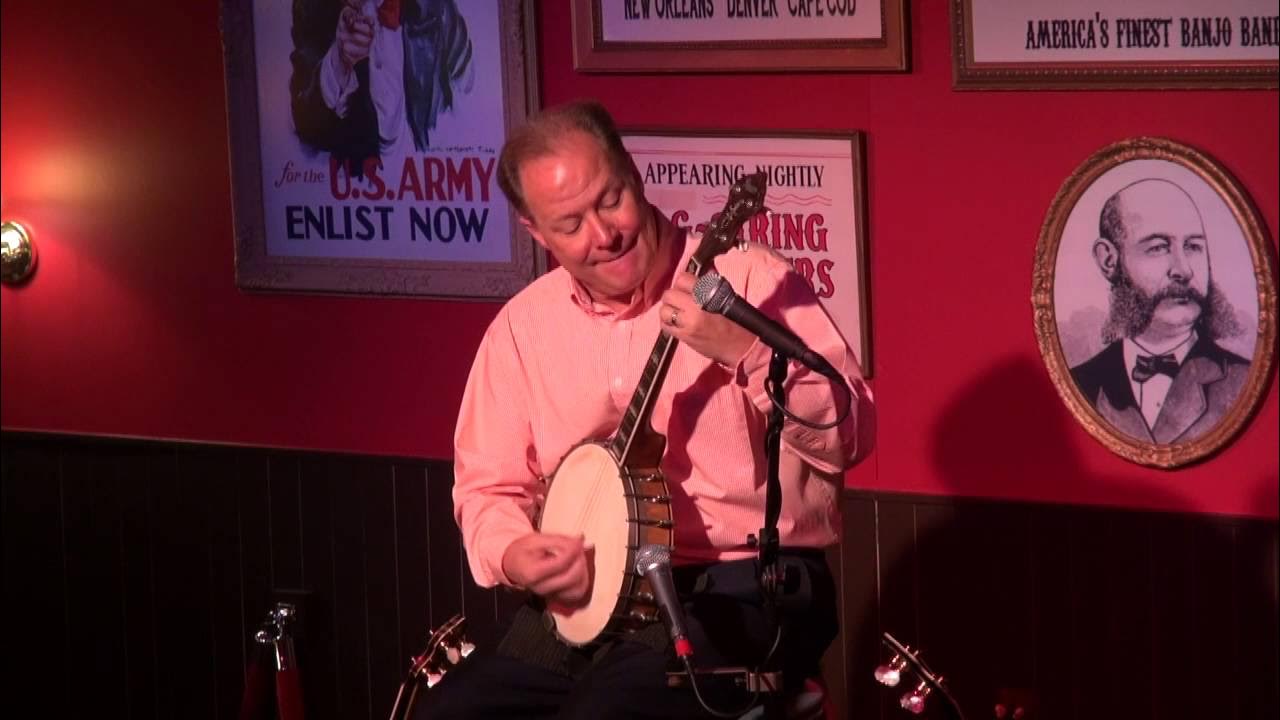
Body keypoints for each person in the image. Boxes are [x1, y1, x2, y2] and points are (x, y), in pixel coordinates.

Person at [413, 101, 874, 719]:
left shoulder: (748, 280)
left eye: (611, 200)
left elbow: (849, 433)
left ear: (633, 172)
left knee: (607, 713)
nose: (603, 234)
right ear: (535, 232)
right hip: (590, 599)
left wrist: (744, 350)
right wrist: (513, 551)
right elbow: (487, 489)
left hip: (740, 587)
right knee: (450, 712)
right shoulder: (522, 329)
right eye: (570, 224)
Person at [1070, 178, 1249, 444]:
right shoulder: (1079, 384)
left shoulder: (1244, 381)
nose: (1184, 270)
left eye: (1193, 246)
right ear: (1109, 260)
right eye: (1158, 248)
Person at [289, 0, 472, 176]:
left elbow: (468, 101)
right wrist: (339, 62)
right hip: (354, 182)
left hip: (428, 174)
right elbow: (305, 120)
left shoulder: (438, 8)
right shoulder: (312, 8)